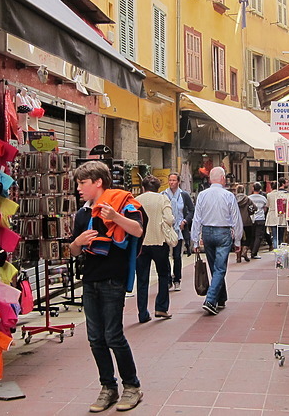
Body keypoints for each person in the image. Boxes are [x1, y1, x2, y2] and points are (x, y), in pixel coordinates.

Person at [68, 161, 145, 413]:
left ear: (98, 182)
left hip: (113, 278)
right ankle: (107, 387)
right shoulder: (82, 214)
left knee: (113, 335)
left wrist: (115, 217)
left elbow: (137, 230)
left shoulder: (122, 204)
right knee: (95, 338)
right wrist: (77, 242)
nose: (79, 188)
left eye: (83, 183)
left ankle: (132, 386)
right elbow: (73, 250)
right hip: (90, 280)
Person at [191, 167, 242, 315]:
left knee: (215, 267)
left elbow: (197, 218)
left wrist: (195, 240)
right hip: (223, 232)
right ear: (223, 179)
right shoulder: (228, 195)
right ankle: (211, 300)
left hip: (207, 232)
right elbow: (236, 219)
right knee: (220, 268)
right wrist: (237, 240)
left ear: (209, 179)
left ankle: (221, 298)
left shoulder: (202, 195)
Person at [135, 175, 174, 322]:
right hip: (159, 241)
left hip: (141, 243)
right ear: (158, 188)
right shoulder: (163, 199)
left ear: (143, 187)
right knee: (163, 275)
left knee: (142, 279)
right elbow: (169, 219)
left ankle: (142, 313)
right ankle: (161, 307)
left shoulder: (137, 200)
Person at [162, 173, 193, 289]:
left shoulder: (184, 195)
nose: (171, 182)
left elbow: (191, 210)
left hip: (179, 229)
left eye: (174, 180)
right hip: (166, 229)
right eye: (170, 180)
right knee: (165, 255)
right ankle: (168, 279)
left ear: (178, 182)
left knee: (177, 255)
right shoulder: (163, 194)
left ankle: (177, 279)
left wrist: (185, 221)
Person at [265, 177, 289, 246]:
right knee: (281, 236)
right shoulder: (282, 194)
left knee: (275, 236)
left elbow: (267, 205)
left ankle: (275, 250)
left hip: (272, 216)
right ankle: (281, 249)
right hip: (281, 215)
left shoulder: (269, 195)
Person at [234, 185, 254, 263]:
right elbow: (253, 208)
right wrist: (249, 212)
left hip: (237, 221)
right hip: (247, 221)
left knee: (237, 239)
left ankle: (238, 257)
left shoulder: (233, 199)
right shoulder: (247, 199)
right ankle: (245, 250)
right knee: (249, 237)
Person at [248, 182, 268, 258]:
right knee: (258, 236)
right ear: (260, 189)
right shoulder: (263, 198)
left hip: (252, 218)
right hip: (260, 218)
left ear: (253, 188)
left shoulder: (249, 198)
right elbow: (265, 208)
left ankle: (251, 249)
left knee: (252, 235)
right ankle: (254, 252)